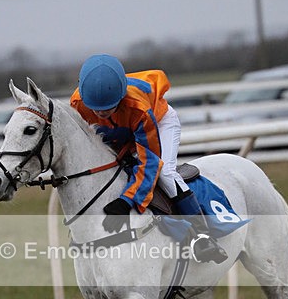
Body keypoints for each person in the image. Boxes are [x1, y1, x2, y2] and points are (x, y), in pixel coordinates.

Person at [70, 53, 227, 264]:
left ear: (120, 97)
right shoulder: (78, 104)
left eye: (107, 107)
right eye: (96, 108)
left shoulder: (138, 107)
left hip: (158, 122)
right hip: (122, 130)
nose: (101, 113)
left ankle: (202, 235)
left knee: (165, 173)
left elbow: (150, 160)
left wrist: (127, 200)